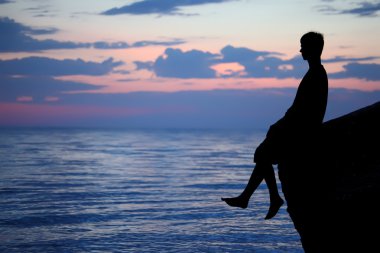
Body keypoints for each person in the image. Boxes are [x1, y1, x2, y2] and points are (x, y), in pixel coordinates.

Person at [222, 31, 328, 221]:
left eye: (303, 46)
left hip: (302, 132)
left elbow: (303, 111)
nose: (300, 50)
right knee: (263, 153)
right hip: (299, 128)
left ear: (313, 49)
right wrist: (280, 125)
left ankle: (262, 198)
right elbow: (300, 109)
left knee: (263, 153)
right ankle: (258, 198)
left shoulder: (316, 74)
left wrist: (280, 126)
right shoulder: (316, 73)